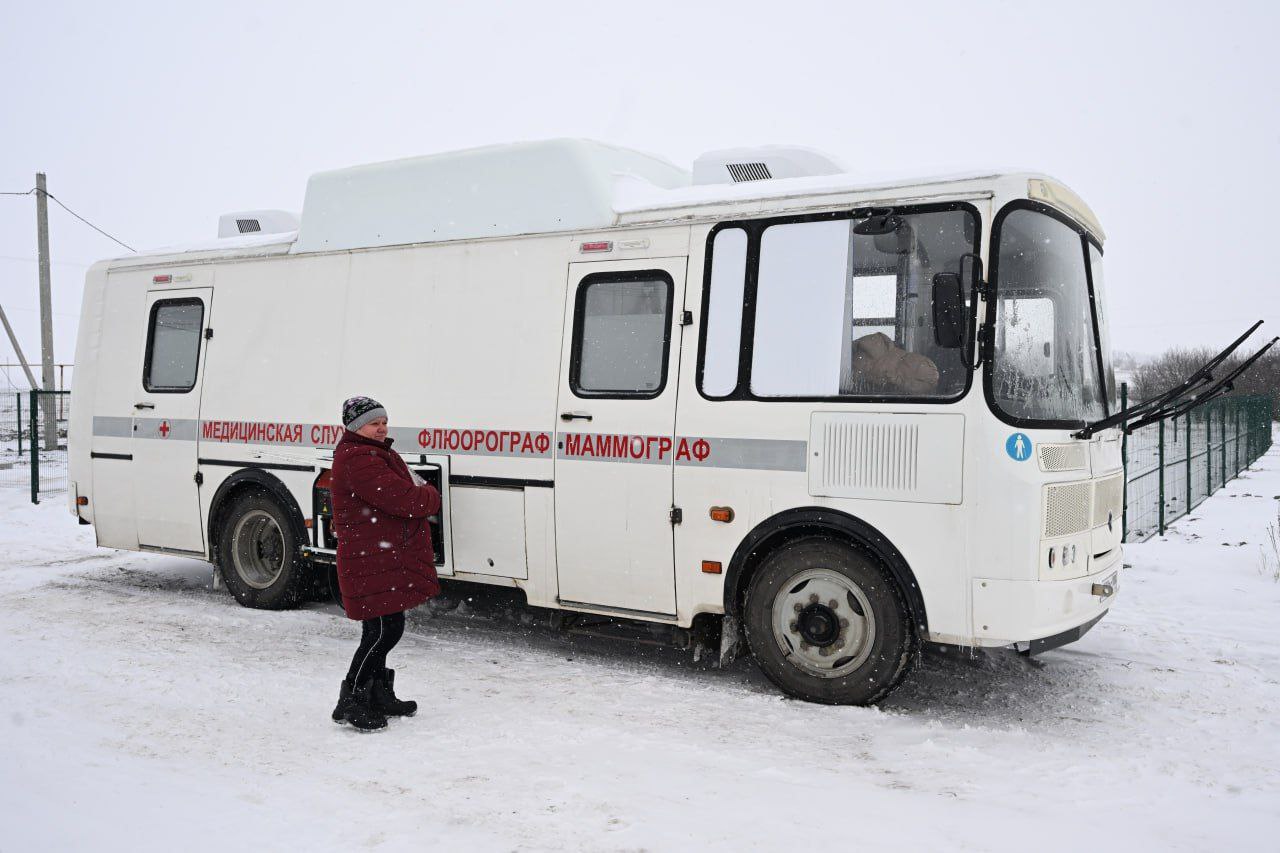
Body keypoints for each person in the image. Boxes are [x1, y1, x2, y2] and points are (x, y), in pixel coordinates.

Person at [329, 396, 442, 732]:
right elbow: (407, 499)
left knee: (381, 628)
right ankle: (351, 698)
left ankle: (377, 694)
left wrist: (419, 492)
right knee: (384, 630)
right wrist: (431, 495)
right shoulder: (359, 459)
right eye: (373, 423)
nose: (381, 429)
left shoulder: (373, 453)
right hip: (371, 559)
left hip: (378, 557)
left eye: (383, 422)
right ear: (354, 427)